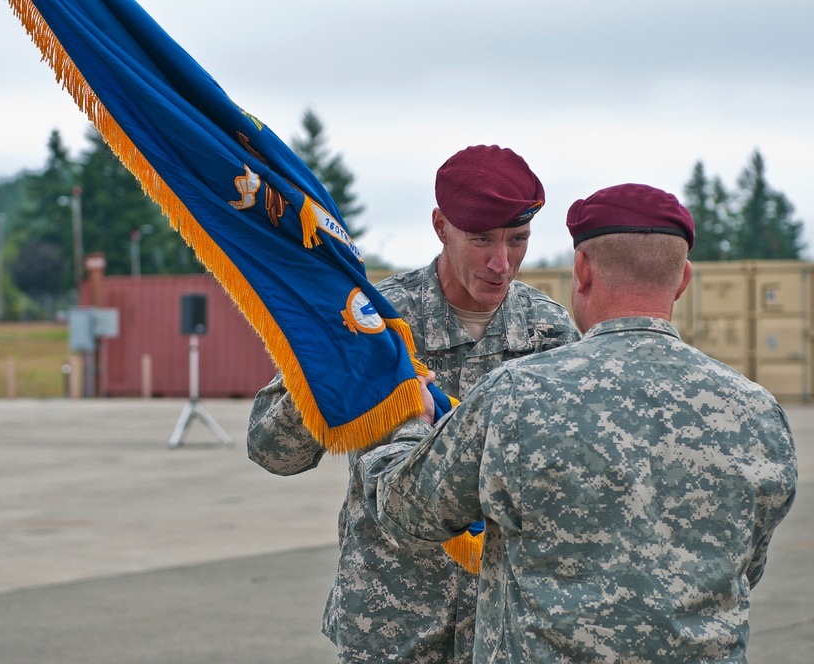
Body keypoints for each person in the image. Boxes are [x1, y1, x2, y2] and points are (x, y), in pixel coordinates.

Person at [362, 183, 799, 663]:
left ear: (583, 269)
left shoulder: (517, 393)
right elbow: (745, 564)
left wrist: (409, 422)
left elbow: (408, 511)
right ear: (683, 280)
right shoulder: (756, 411)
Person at [247, 145, 581, 662]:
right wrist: (334, 367)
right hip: (390, 621)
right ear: (440, 225)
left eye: (518, 240)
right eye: (481, 239)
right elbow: (272, 450)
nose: (501, 263)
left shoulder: (548, 331)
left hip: (504, 627)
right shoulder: (372, 322)